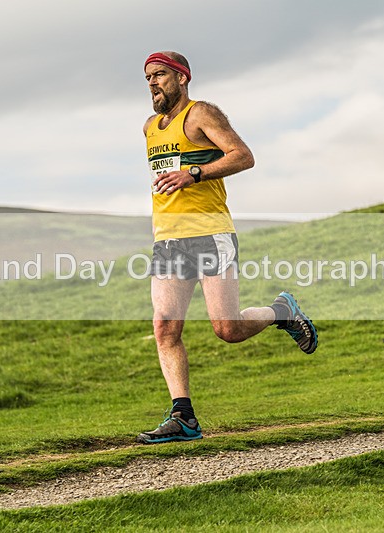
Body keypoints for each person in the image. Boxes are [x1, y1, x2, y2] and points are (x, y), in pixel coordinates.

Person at [136, 51, 317, 444]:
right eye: (148, 76)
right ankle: (183, 417)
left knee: (228, 329)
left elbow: (243, 156)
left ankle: (280, 311)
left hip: (209, 233)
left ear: (182, 77)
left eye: (160, 74)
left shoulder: (201, 114)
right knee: (165, 327)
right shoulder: (151, 127)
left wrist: (194, 173)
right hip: (167, 239)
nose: (152, 82)